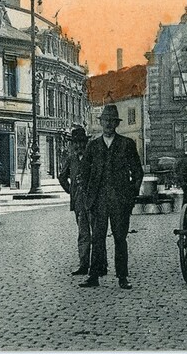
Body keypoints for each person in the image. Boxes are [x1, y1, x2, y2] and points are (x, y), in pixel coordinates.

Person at [80, 104, 144, 291]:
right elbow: (84, 173)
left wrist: (131, 194)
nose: (108, 124)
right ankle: (94, 275)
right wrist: (87, 195)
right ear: (101, 123)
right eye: (105, 121)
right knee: (97, 238)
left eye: (111, 121)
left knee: (120, 239)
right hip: (98, 202)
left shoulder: (127, 144)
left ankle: (122, 277)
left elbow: (137, 173)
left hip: (120, 202)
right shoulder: (93, 146)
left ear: (116, 124)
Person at [57, 125, 91, 275]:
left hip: (94, 202)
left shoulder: (93, 157)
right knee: (83, 233)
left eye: (82, 142)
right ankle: (83, 265)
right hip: (79, 203)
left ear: (86, 142)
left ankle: (98, 264)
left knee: (97, 234)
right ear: (72, 144)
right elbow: (62, 177)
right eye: (76, 143)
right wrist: (72, 191)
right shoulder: (71, 159)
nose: (79, 146)